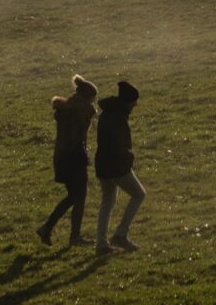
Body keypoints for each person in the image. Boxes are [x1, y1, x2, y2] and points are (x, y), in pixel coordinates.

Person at [37, 75, 97, 247]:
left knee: (73, 196)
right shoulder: (82, 112)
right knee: (79, 196)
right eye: (93, 98)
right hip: (75, 159)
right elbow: (78, 139)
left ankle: (48, 228)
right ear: (87, 97)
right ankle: (73, 237)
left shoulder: (67, 109)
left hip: (61, 158)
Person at [94, 80, 144, 253]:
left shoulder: (107, 113)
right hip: (116, 166)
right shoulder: (118, 117)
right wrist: (129, 159)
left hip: (102, 165)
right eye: (134, 101)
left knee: (107, 201)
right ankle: (120, 235)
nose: (135, 104)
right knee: (139, 194)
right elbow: (119, 145)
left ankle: (101, 243)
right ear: (127, 101)